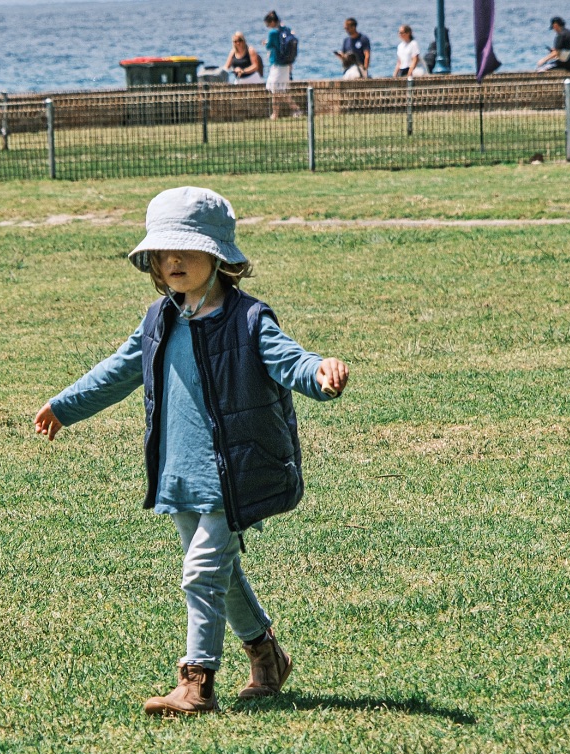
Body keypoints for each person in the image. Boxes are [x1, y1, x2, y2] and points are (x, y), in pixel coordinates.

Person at [32, 187, 349, 716]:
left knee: (201, 571)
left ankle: (196, 682)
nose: (173, 261)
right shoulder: (161, 317)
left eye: (186, 250)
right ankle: (267, 654)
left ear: (218, 255)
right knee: (218, 573)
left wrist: (319, 372)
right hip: (179, 470)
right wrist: (65, 405)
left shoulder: (249, 319)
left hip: (234, 470)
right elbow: (118, 369)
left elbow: (289, 359)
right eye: (163, 253)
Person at [262, 11, 296, 117]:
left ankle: (280, 112)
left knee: (276, 88)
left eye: (268, 24)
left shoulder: (273, 33)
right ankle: (278, 113)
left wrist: (266, 43)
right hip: (286, 64)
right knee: (279, 89)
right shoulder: (285, 29)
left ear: (272, 22)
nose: (268, 26)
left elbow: (269, 46)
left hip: (277, 64)